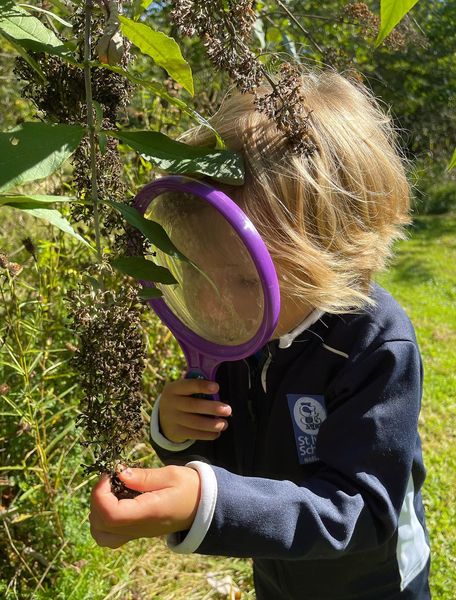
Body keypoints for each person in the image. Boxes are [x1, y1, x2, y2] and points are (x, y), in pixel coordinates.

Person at [89, 68, 431, 599]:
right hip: (277, 572)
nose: (216, 300)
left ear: (336, 258)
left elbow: (360, 510)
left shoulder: (376, 346)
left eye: (250, 278)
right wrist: (177, 433)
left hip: (375, 583)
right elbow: (231, 458)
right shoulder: (237, 336)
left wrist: (210, 501)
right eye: (203, 268)